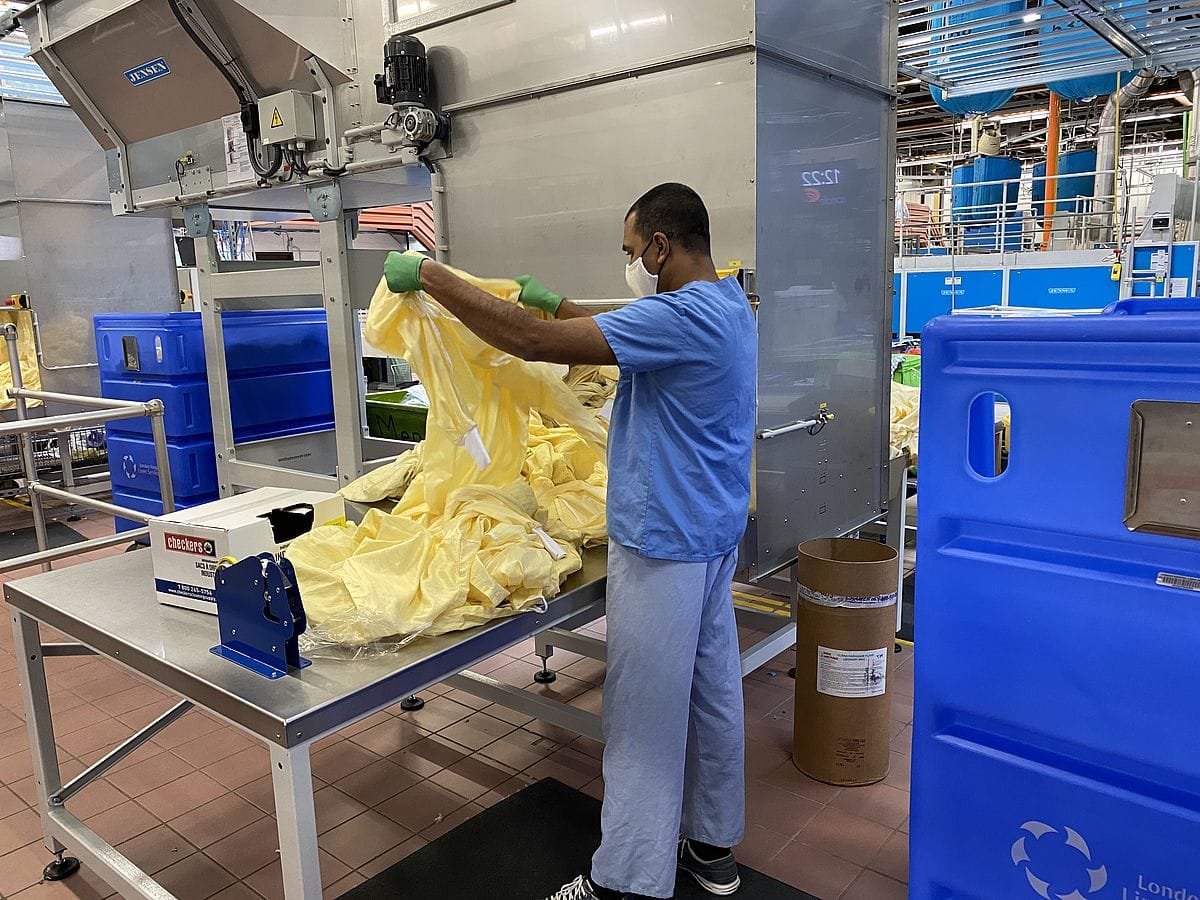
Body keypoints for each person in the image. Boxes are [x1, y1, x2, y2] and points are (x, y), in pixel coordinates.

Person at [383, 183, 757, 900]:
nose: (628, 264)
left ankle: (626, 880)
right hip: (711, 537)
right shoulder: (726, 304)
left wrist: (434, 275)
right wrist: (555, 302)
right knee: (712, 697)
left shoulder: (683, 316)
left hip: (666, 541)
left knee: (643, 717)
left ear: (660, 246)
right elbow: (611, 337)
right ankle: (713, 850)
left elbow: (529, 344)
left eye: (629, 251)